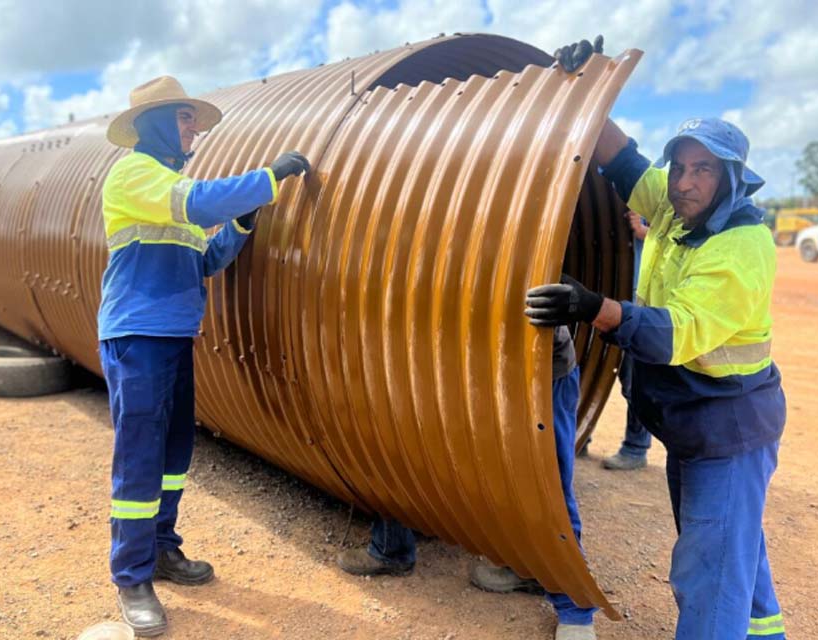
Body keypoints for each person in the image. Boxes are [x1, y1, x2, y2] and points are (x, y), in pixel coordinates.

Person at [527, 38, 787, 640]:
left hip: (726, 428)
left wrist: (592, 307)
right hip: (695, 421)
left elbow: (680, 334)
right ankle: (766, 632)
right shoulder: (676, 206)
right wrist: (587, 83)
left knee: (707, 574)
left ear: (730, 179)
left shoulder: (740, 247)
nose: (685, 182)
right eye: (682, 167)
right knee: (732, 548)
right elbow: (620, 159)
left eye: (704, 170)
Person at [98, 75, 310, 636]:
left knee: (173, 453)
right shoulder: (135, 175)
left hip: (172, 335)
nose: (193, 128)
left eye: (193, 118)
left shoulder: (170, 188)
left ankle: (163, 549)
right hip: (137, 334)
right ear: (155, 124)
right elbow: (198, 204)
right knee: (141, 455)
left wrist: (241, 225)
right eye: (184, 117)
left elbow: (206, 260)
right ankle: (132, 576)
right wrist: (269, 177)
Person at [335, 327, 598, 640]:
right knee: (395, 439)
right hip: (450, 362)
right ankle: (392, 546)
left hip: (532, 370)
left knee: (542, 485)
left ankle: (573, 607)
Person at [602, 210, 652, 471]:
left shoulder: (657, 193)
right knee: (590, 365)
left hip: (636, 306)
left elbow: (680, 239)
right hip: (603, 302)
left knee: (633, 381)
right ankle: (581, 434)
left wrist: (645, 233)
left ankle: (636, 447)